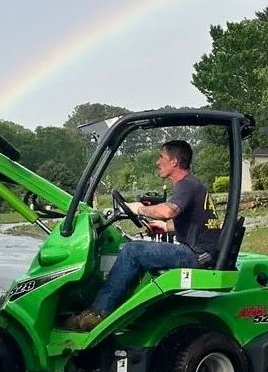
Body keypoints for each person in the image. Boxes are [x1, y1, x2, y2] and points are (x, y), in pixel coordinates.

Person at [64, 140, 221, 332]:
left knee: (132, 251)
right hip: (198, 250)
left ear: (174, 161)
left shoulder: (186, 184)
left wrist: (139, 208)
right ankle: (120, 309)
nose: (157, 162)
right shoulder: (192, 184)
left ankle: (98, 312)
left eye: (161, 157)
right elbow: (191, 222)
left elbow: (168, 211)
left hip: (195, 255)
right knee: (131, 248)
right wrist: (165, 227)